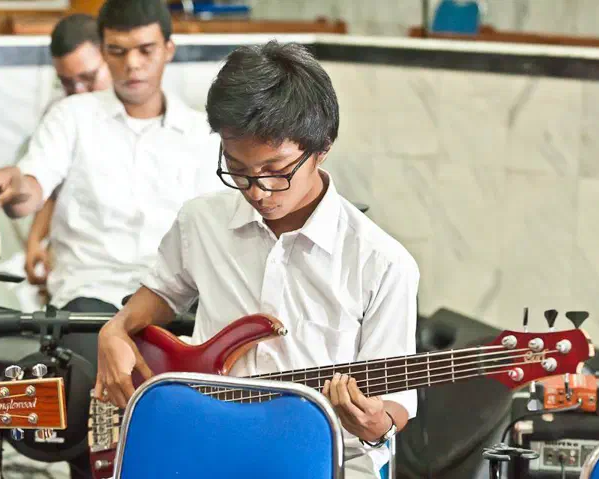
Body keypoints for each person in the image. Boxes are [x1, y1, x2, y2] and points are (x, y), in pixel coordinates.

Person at [94, 41, 420, 478]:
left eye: (277, 170)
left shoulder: (382, 263)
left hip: (326, 456)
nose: (257, 190)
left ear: (322, 147)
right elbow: (160, 295)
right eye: (238, 169)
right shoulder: (201, 222)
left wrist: (374, 424)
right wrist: (115, 330)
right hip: (206, 442)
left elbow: (394, 407)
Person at [0, 0, 222, 477]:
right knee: (93, 397)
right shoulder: (73, 117)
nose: (132, 64)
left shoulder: (200, 134)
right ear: (104, 52)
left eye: (145, 50)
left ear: (168, 49)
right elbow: (32, 187)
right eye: (118, 51)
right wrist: (11, 185)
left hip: (175, 308)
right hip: (88, 304)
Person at [25, 13, 113, 291]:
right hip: (83, 267)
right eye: (67, 82)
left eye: (88, 77)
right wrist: (35, 241)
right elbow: (50, 185)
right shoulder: (59, 114)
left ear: (110, 56)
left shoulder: (146, 109)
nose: (78, 91)